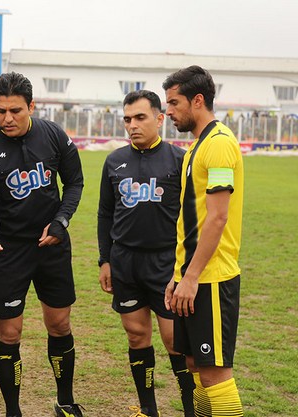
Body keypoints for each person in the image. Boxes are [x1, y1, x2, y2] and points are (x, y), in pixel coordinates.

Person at [0, 72, 85, 417]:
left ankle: (65, 401)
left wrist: (61, 222)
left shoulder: (53, 136)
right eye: (0, 111)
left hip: (51, 245)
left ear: (31, 106)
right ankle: (12, 410)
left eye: (15, 110)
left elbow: (74, 182)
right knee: (10, 330)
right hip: (8, 250)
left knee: (60, 324)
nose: (6, 119)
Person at [97, 90, 195, 417]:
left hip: (166, 263)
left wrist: (186, 268)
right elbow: (104, 215)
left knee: (175, 342)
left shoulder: (179, 160)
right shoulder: (114, 161)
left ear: (159, 118)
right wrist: (105, 259)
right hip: (125, 262)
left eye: (140, 118)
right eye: (127, 119)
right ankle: (147, 409)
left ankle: (190, 408)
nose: (132, 125)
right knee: (137, 336)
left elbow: (193, 219)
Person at [163, 65, 245, 416]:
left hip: (211, 278)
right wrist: (178, 274)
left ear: (198, 101)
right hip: (193, 276)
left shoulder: (220, 144)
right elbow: (190, 220)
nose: (168, 111)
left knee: (216, 376)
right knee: (197, 367)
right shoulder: (197, 146)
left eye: (174, 102)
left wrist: (192, 277)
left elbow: (218, 216)